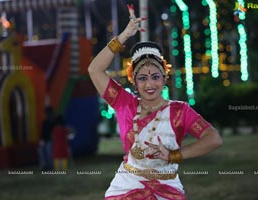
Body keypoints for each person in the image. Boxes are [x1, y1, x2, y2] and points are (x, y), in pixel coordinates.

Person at [88, 4, 223, 199]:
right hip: (126, 188)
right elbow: (94, 70)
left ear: (164, 78)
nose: (149, 84)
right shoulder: (124, 103)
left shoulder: (180, 111)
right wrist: (124, 36)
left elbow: (214, 139)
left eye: (155, 77)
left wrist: (173, 155)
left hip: (167, 188)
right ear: (134, 81)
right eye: (142, 78)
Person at [38, 106, 55, 171]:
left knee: (49, 146)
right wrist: (42, 140)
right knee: (41, 148)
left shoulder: (57, 120)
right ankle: (44, 165)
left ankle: (51, 165)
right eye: (46, 113)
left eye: (49, 113)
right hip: (46, 140)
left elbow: (59, 131)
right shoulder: (45, 122)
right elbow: (42, 134)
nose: (48, 114)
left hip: (54, 140)